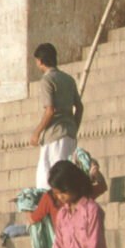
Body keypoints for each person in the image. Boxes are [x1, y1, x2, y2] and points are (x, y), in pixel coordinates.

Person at [30, 43, 82, 190]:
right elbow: (80, 107)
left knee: (47, 181)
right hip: (69, 136)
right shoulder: (68, 79)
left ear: (40, 61)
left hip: (54, 137)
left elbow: (50, 111)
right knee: (65, 179)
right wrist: (73, 127)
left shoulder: (47, 80)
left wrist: (36, 133)